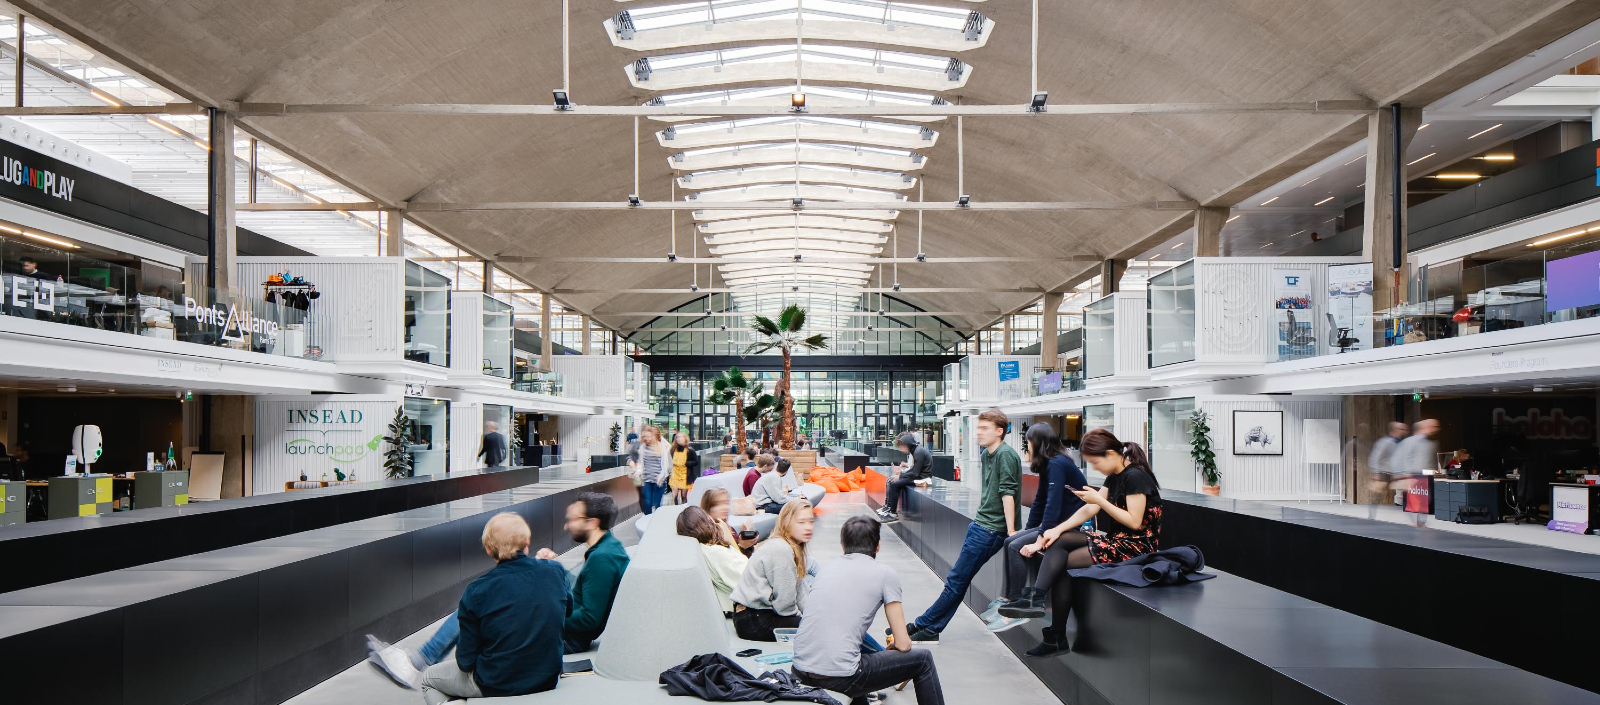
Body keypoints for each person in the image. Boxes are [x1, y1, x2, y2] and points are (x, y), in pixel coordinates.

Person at [369, 493, 629, 686]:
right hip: (557, 639)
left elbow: (589, 620)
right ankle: (419, 659)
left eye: (573, 519)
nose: (566, 525)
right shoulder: (606, 552)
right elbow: (582, 598)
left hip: (565, 640)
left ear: (592, 522)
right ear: (526, 543)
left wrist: (545, 612)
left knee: (480, 608)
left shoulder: (602, 559)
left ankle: (419, 661)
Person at [1001, 429, 1160, 657]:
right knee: (1059, 540)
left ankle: (1054, 633)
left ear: (1109, 454)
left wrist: (1099, 501)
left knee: (1064, 564)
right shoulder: (1115, 475)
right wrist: (1056, 529)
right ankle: (1039, 605)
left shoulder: (1135, 477)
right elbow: (1090, 508)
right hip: (1117, 540)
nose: (1094, 468)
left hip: (1136, 547)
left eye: (1095, 462)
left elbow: (1135, 523)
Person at [412, 513, 567, 704]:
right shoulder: (555, 570)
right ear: (527, 540)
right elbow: (566, 613)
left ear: (488, 550)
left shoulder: (477, 591)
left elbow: (465, 661)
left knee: (429, 678)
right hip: (547, 678)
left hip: (496, 682)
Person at [793, 516, 945, 705]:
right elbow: (904, 644)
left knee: (854, 656)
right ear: (878, 546)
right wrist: (893, 648)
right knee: (923, 660)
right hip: (840, 677)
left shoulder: (826, 570)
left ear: (842, 545)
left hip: (799, 670)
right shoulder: (885, 574)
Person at [898, 409, 1021, 644]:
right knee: (957, 580)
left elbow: (1008, 493)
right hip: (981, 524)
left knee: (956, 580)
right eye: (978, 427)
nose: (978, 433)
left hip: (991, 529)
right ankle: (927, 625)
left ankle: (927, 626)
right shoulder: (987, 454)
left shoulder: (1006, 455)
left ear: (1000, 431)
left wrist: (1012, 530)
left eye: (984, 428)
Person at [992, 423, 1087, 631]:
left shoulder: (1057, 464)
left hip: (1068, 527)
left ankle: (1019, 606)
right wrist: (1029, 530)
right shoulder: (1049, 463)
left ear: (1037, 442)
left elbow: (1053, 504)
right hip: (1057, 523)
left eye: (1028, 442)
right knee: (1011, 540)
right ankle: (1009, 599)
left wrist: (1039, 539)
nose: (1028, 446)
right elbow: (1040, 501)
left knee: (1015, 546)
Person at [729, 499, 817, 641]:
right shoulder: (781, 549)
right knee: (819, 628)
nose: (808, 527)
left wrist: (813, 614)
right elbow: (785, 606)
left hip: (758, 615)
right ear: (786, 524)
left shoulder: (791, 547)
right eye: (801, 522)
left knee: (820, 623)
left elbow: (799, 592)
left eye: (811, 521)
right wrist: (805, 621)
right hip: (753, 620)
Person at [677, 506, 750, 614]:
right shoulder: (717, 553)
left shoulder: (708, 548)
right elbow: (751, 584)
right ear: (705, 522)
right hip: (747, 611)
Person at [1393, 419, 1440, 527]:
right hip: (1414, 475)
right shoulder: (1411, 441)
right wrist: (1404, 474)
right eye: (1433, 426)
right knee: (1415, 501)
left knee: (1424, 501)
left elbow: (1432, 459)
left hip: (1426, 476)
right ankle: (1416, 522)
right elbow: (1402, 458)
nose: (1436, 429)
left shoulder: (1432, 443)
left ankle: (1420, 522)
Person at [877, 432, 932, 523]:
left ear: (908, 444)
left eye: (902, 446)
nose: (901, 449)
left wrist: (900, 476)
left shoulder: (918, 452)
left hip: (923, 479)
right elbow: (914, 470)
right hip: (920, 477)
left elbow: (915, 472)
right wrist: (901, 475)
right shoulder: (916, 451)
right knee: (892, 481)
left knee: (895, 485)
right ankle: (889, 508)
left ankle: (893, 513)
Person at [1366, 421, 1408, 519]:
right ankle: (1371, 517)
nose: (1403, 431)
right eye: (1401, 429)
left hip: (1396, 474)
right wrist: (1376, 473)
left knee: (1407, 493)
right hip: (1383, 473)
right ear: (1395, 430)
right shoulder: (1384, 442)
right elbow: (1375, 457)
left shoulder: (1401, 443)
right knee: (1377, 496)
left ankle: (1416, 521)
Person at [701, 486, 760, 554]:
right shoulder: (707, 534)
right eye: (718, 504)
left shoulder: (730, 529)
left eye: (726, 503)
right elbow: (729, 560)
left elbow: (744, 559)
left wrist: (745, 545)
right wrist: (742, 546)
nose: (725, 507)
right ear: (708, 508)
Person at [631, 425, 671, 514]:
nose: (646, 439)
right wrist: (637, 473)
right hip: (647, 479)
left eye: (648, 436)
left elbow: (665, 465)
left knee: (657, 504)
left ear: (653, 436)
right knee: (647, 503)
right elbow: (641, 463)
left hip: (659, 480)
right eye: (644, 436)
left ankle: (656, 522)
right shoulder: (643, 447)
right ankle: (647, 521)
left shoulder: (661, 446)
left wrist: (661, 477)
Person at [668, 431, 699, 505]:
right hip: (675, 474)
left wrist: (686, 463)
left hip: (685, 476)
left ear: (685, 438)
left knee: (683, 496)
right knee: (674, 496)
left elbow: (696, 462)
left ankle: (684, 511)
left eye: (681, 437)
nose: (679, 439)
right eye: (677, 437)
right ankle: (675, 510)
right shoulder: (672, 450)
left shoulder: (690, 450)